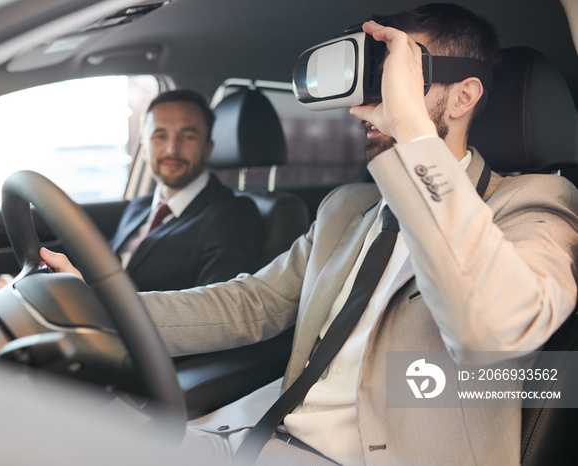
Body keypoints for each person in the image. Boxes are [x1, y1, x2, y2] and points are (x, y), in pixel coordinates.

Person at [40, 4, 578, 465]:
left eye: (401, 74)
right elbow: (249, 303)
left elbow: (488, 327)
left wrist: (413, 127)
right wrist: (101, 304)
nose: (374, 99)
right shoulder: (349, 207)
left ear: (463, 98)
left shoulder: (533, 205)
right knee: (50, 414)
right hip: (255, 434)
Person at [0, 89, 261, 334]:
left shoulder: (232, 214)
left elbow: (214, 313)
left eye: (188, 136)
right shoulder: (142, 206)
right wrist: (10, 284)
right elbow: (96, 266)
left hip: (128, 343)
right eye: (159, 136)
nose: (171, 148)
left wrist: (89, 304)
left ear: (208, 148)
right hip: (79, 316)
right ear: (144, 147)